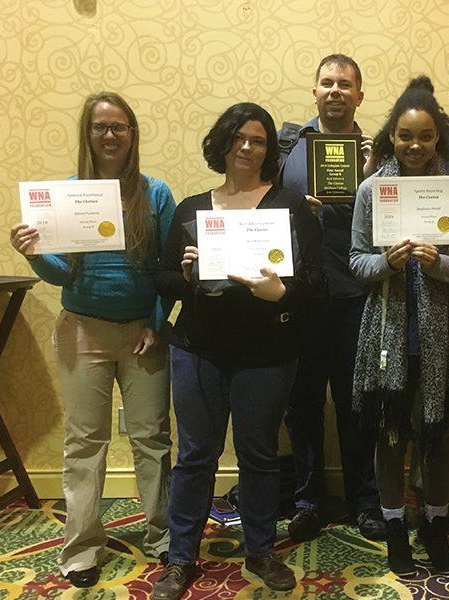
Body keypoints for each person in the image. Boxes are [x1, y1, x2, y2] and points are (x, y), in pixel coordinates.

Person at [150, 102, 324, 599]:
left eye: (259, 141)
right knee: (195, 457)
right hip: (198, 349)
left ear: (269, 150)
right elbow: (161, 278)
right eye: (239, 138)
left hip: (267, 352)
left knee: (260, 456)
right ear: (222, 143)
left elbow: (315, 282)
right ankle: (180, 558)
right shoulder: (191, 209)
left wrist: (282, 294)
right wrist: (184, 278)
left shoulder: (290, 206)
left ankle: (261, 550)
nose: (248, 148)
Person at [9, 92, 174, 588]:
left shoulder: (156, 193)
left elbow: (168, 272)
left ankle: (164, 536)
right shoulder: (66, 195)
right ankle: (81, 547)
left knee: (152, 438)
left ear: (132, 134)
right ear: (88, 135)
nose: (110, 135)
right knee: (85, 442)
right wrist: (34, 255)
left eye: (119, 126)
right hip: (83, 330)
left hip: (144, 333)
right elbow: (63, 276)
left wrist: (156, 323)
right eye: (101, 127)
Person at [350, 76, 449, 577]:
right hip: (386, 332)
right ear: (391, 137)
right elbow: (356, 262)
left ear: (438, 139)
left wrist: (438, 266)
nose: (415, 146)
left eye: (425, 136)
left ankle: (434, 525)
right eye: (405, 136)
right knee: (391, 434)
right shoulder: (371, 190)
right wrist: (386, 262)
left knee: (440, 435)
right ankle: (395, 529)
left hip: (442, 332)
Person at [278, 54, 385, 542]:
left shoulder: (379, 153)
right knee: (302, 405)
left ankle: (366, 501)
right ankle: (307, 500)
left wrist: (366, 178)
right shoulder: (286, 149)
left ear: (359, 95)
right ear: (314, 92)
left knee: (356, 403)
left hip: (355, 295)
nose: (336, 91)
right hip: (298, 298)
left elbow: (391, 224)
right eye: (327, 83)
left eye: (346, 84)